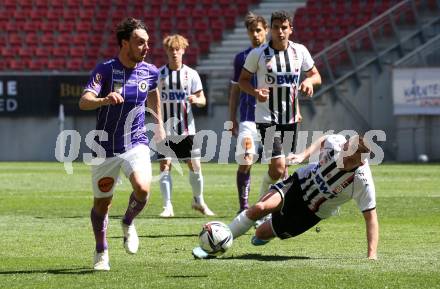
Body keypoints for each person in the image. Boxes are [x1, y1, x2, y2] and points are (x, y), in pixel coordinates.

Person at [193, 134, 379, 260]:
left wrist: (372, 255)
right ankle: (216, 244)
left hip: (310, 212)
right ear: (344, 145)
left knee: (259, 235)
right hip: (298, 184)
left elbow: (371, 218)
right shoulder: (337, 143)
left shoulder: (362, 181)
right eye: (345, 154)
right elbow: (323, 140)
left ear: (361, 162)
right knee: (259, 208)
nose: (344, 161)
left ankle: (266, 230)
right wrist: (302, 155)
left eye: (350, 161)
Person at [79, 18, 165, 271]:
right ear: (124, 43)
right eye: (140, 43)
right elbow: (84, 101)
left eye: (148, 43)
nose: (146, 47)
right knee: (101, 204)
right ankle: (101, 251)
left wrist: (158, 123)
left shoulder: (150, 71)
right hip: (104, 147)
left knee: (142, 188)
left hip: (136, 142)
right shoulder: (105, 70)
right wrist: (104, 99)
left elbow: (152, 92)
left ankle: (128, 221)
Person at [238, 10, 322, 203]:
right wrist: (255, 92)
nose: (280, 32)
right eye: (276, 27)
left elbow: (316, 75)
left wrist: (309, 82)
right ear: (271, 30)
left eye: (284, 27)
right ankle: (261, 207)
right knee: (278, 167)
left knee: (281, 170)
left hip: (290, 119)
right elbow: (242, 81)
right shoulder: (257, 54)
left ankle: (264, 208)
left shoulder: (300, 51)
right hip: (266, 118)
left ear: (291, 29)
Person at [156, 34, 214, 218]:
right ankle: (167, 206)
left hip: (187, 129)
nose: (174, 52)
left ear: (183, 50)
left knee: (195, 166)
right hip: (165, 129)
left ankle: (199, 200)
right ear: (166, 51)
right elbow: (153, 101)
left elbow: (203, 100)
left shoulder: (191, 74)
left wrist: (197, 99)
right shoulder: (159, 75)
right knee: (165, 165)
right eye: (171, 49)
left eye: (177, 49)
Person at [228, 12, 268, 214]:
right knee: (246, 159)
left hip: (273, 119)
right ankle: (244, 206)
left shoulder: (276, 56)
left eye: (258, 30)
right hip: (247, 119)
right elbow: (235, 90)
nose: (255, 34)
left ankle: (269, 207)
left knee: (279, 168)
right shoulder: (240, 58)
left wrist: (295, 111)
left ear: (266, 31)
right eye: (251, 31)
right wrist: (231, 119)